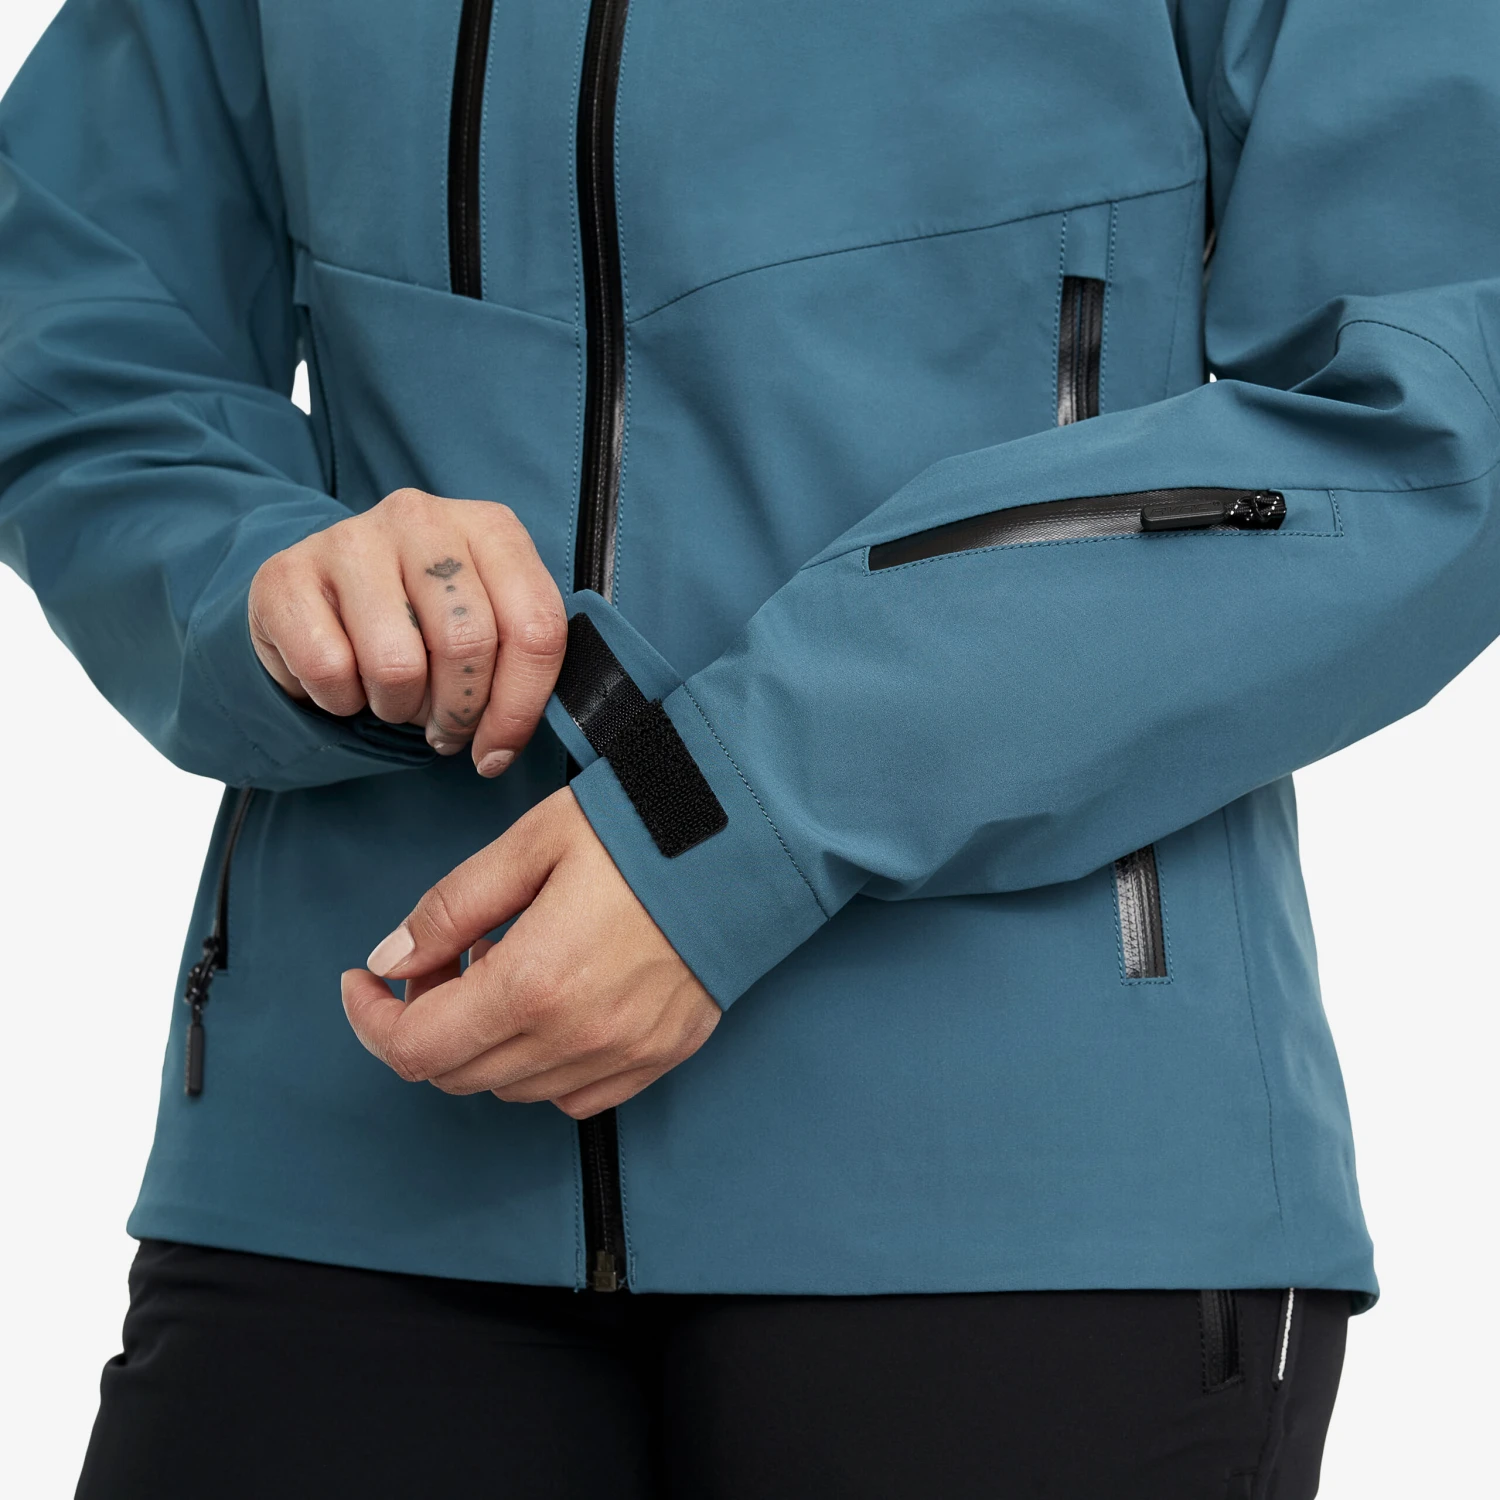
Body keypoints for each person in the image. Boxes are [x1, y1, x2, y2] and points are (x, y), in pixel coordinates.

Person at [2, 0, 1497, 1494]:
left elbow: (1438, 413)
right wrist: (270, 581)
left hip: (1026, 1204)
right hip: (353, 1153)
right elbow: (68, 338)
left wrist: (736, 810)